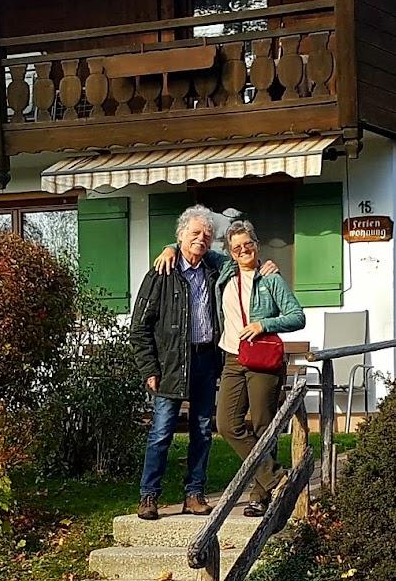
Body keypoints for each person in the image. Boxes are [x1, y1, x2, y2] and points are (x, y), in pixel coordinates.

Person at [130, 206, 223, 521]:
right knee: (161, 432)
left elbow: (242, 261)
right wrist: (149, 369)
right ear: (180, 235)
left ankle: (194, 494)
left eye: (207, 235)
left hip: (206, 360)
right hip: (170, 363)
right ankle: (149, 497)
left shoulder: (213, 269)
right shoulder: (162, 271)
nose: (201, 239)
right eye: (195, 233)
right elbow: (140, 328)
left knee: (202, 430)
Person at [215, 219, 305, 516]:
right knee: (227, 424)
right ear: (230, 252)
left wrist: (263, 324)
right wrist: (168, 248)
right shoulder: (225, 272)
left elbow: (297, 316)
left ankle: (259, 495)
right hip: (232, 357)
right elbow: (191, 246)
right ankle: (276, 478)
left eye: (248, 244)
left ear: (257, 244)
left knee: (264, 425)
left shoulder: (270, 278)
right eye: (236, 247)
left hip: (262, 357)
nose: (243, 250)